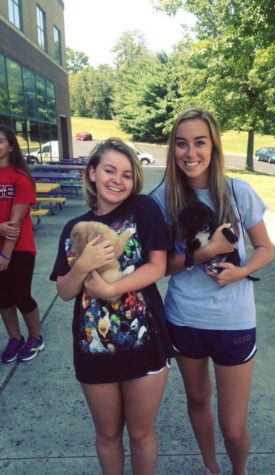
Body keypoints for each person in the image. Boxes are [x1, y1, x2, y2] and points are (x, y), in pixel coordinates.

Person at [150, 108, 275, 475]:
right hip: (184, 318)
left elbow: (266, 249)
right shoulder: (163, 199)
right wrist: (204, 253)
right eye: (182, 144)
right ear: (173, 149)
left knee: (234, 428)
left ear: (214, 145)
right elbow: (161, 267)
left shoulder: (239, 191)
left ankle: (239, 471)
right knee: (197, 399)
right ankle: (211, 468)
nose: (191, 153)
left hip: (233, 322)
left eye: (199, 143)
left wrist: (241, 271)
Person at [50, 138, 173, 475]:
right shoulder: (73, 229)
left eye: (127, 174)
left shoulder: (144, 210)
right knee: (106, 434)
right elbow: (63, 290)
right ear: (92, 173)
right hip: (94, 347)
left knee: (141, 432)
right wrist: (82, 265)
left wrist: (109, 288)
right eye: (109, 170)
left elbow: (156, 267)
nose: (118, 180)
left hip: (144, 344)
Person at [0, 125, 45, 364]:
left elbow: (14, 226)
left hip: (20, 249)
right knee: (2, 298)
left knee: (20, 295)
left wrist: (5, 256)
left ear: (10, 146)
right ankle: (14, 339)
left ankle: (35, 338)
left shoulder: (21, 178)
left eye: (0, 141)